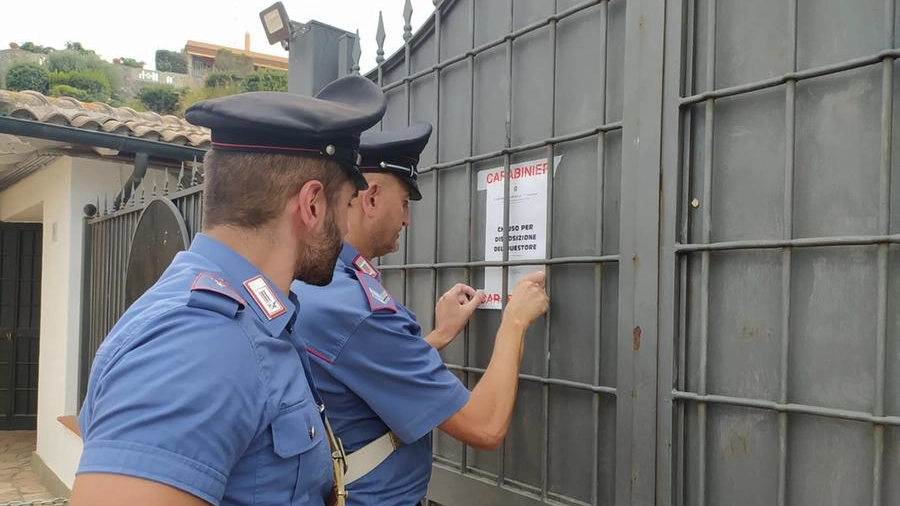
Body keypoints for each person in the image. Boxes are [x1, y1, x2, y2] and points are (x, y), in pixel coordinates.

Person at [71, 75, 387, 506]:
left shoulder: (251, 317)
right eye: (347, 203)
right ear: (312, 204)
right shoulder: (199, 345)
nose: (348, 228)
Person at [291, 121, 550, 506]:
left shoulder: (320, 282)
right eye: (405, 202)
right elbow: (485, 426)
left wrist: (437, 337)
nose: (407, 219)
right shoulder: (354, 307)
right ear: (372, 197)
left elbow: (358, 371)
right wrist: (514, 322)